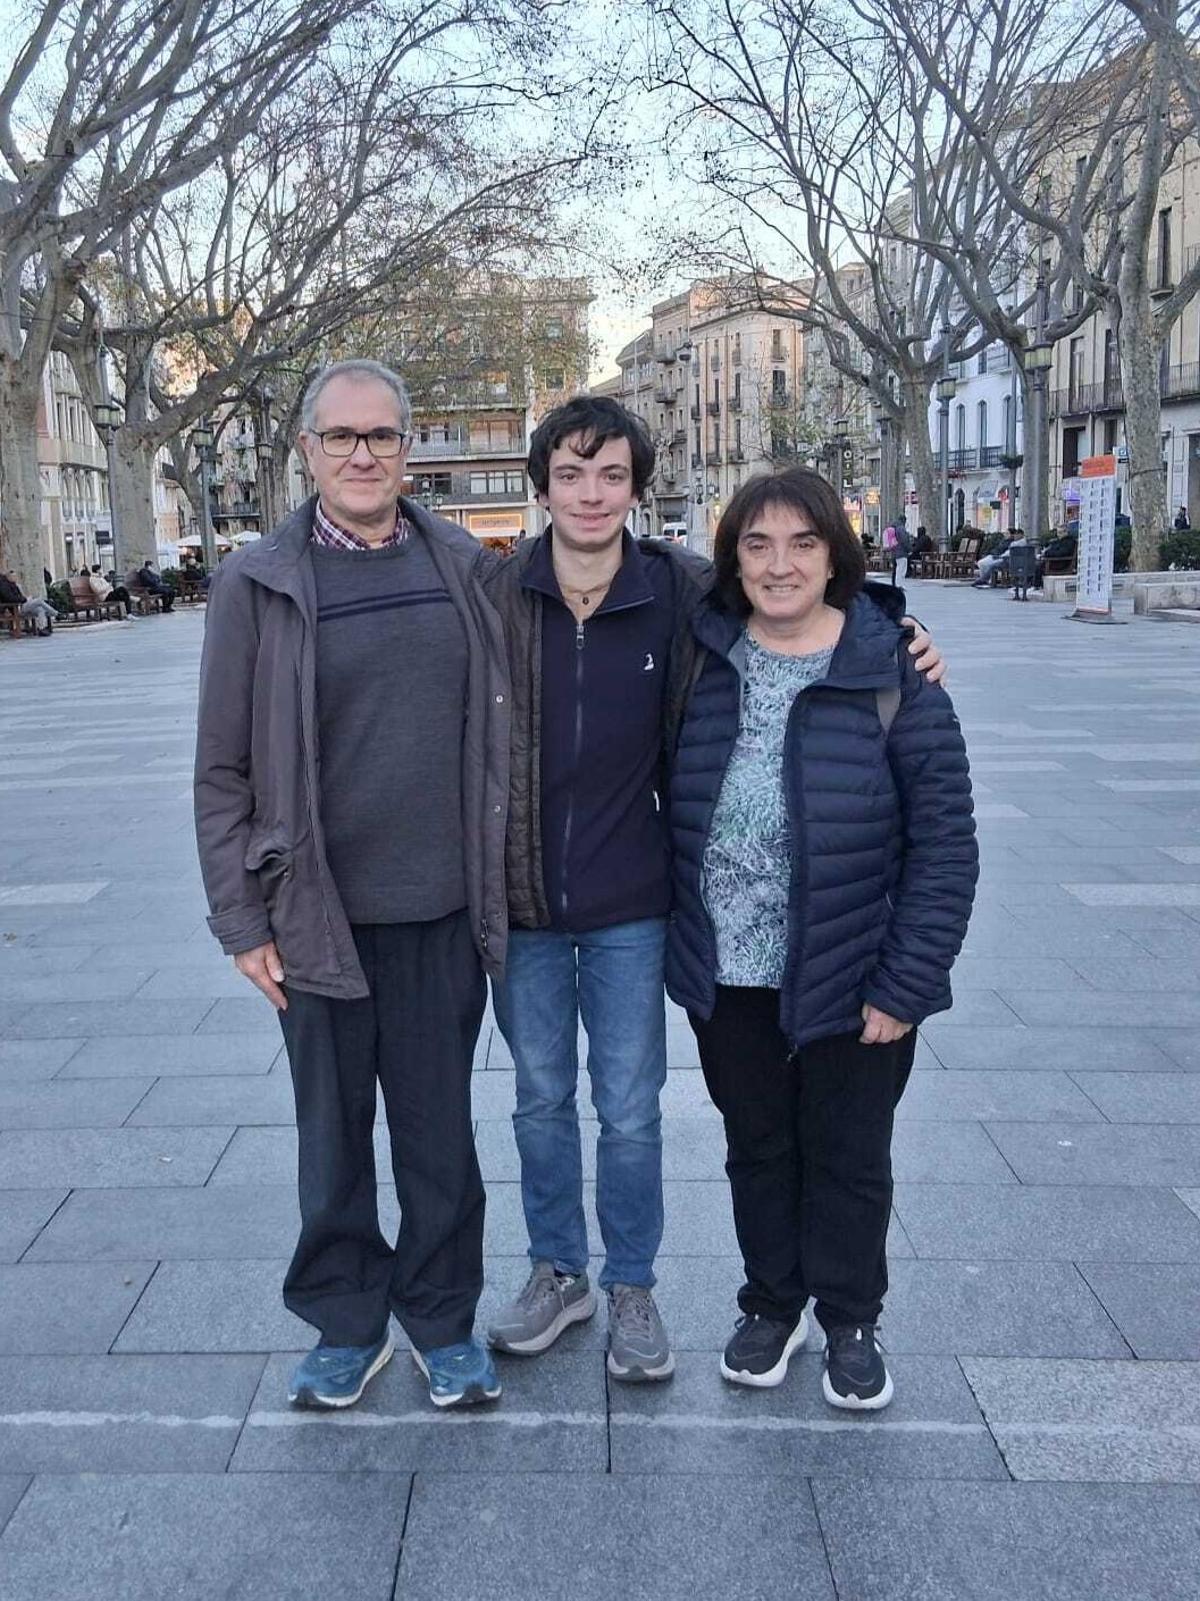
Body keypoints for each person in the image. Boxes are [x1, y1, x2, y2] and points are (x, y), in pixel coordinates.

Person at [480, 395, 947, 1383]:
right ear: (543, 485)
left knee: (637, 1110)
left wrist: (897, 628)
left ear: (638, 487)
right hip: (533, 903)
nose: (592, 492)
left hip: (640, 905)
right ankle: (562, 1270)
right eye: (571, 473)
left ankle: (638, 1287)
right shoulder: (491, 591)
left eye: (612, 474)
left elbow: (819, 614)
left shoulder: (688, 596)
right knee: (544, 1100)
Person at [194, 359, 510, 1413]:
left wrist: (879, 626)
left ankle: (442, 1316)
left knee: (438, 1137)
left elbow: (618, 599)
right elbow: (222, 765)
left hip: (444, 915)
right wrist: (241, 919)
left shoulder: (465, 562)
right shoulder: (257, 582)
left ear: (409, 447)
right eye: (341, 437)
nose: (363, 454)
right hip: (312, 919)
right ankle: (345, 1320)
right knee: (331, 1139)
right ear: (307, 450)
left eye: (381, 435)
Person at [666, 467, 977, 1409]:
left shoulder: (892, 670)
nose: (779, 563)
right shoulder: (702, 656)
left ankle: (850, 1317)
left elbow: (946, 844)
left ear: (835, 556)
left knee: (849, 1151)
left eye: (803, 542)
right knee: (757, 1145)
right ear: (732, 559)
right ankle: (771, 1302)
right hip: (729, 972)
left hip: (856, 969)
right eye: (756, 544)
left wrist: (906, 981)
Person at [0, 570, 56, 635]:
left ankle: (42, 629)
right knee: (39, 601)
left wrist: (26, 599)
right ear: (9, 577)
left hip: (22, 604)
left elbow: (20, 596)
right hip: (18, 608)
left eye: (15, 576)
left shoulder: (14, 586)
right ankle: (56, 614)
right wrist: (25, 599)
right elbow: (10, 598)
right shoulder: (4, 587)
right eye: (13, 576)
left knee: (40, 609)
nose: (15, 578)